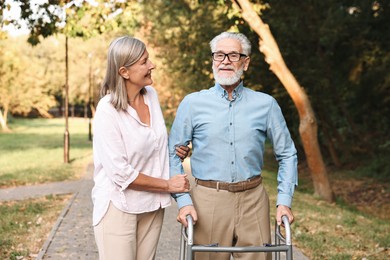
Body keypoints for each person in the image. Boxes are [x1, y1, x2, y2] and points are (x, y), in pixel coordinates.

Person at [169, 32, 298, 260]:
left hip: (253, 201)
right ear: (212, 60)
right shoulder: (192, 103)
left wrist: (284, 202)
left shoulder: (266, 104)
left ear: (245, 62)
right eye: (219, 55)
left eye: (233, 55)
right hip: (208, 200)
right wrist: (183, 201)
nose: (225, 61)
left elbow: (287, 154)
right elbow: (172, 154)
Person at [92, 36, 190, 260]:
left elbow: (154, 144)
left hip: (151, 206)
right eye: (144, 62)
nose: (152, 65)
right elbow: (120, 173)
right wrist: (167, 185)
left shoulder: (151, 96)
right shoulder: (107, 110)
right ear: (124, 72)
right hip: (118, 206)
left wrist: (176, 151)